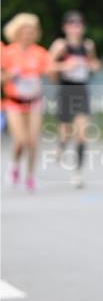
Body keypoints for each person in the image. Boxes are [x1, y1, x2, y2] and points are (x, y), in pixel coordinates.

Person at [48, 11, 101, 188]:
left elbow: (95, 64)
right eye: (72, 24)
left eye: (79, 24)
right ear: (65, 27)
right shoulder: (60, 45)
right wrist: (64, 65)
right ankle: (60, 147)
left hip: (82, 90)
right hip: (65, 89)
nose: (76, 28)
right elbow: (48, 66)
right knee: (65, 131)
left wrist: (92, 65)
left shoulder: (87, 45)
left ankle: (77, 173)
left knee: (82, 133)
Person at [1, 13, 51, 191]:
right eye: (24, 31)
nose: (28, 34)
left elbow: (50, 72)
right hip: (14, 102)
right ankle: (14, 165)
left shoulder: (40, 52)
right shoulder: (7, 52)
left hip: (34, 102)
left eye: (31, 31)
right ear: (16, 32)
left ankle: (30, 175)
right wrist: (8, 75)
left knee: (32, 141)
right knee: (21, 140)